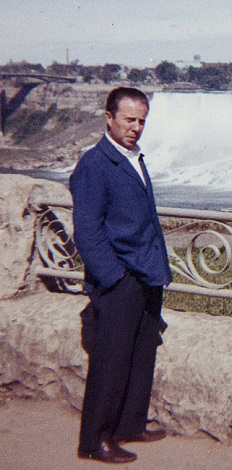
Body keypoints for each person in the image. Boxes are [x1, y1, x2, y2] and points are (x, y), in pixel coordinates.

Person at [70, 87, 172, 464]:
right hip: (120, 278)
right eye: (129, 119)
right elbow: (87, 231)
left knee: (142, 353)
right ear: (108, 118)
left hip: (146, 272)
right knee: (110, 360)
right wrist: (114, 278)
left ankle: (130, 424)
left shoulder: (133, 158)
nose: (136, 127)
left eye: (142, 120)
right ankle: (94, 440)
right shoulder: (94, 165)